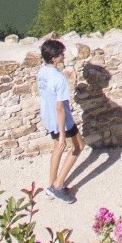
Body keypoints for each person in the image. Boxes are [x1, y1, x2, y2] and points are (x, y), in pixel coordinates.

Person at [37, 39, 82, 202]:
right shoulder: (59, 78)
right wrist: (63, 133)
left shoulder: (41, 72)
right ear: (54, 57)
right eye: (61, 54)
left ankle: (51, 184)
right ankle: (57, 186)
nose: (63, 56)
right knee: (78, 147)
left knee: (57, 148)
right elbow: (61, 108)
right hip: (62, 120)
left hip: (48, 117)